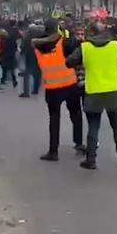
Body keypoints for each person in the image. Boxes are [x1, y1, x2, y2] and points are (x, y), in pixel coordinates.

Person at [65, 22, 117, 169]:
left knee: (93, 126)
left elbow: (69, 62)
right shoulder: (115, 46)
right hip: (113, 90)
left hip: (93, 91)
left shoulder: (85, 47)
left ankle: (91, 159)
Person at [32, 19, 85, 161]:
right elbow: (77, 50)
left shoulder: (38, 46)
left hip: (51, 86)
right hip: (69, 83)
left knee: (54, 118)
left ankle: (53, 151)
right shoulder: (64, 42)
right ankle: (79, 142)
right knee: (76, 114)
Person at [19, 23, 42, 97]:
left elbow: (23, 47)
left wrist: (22, 53)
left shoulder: (27, 37)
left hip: (29, 56)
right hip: (38, 56)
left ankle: (26, 92)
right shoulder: (40, 36)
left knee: (27, 74)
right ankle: (35, 89)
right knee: (37, 74)